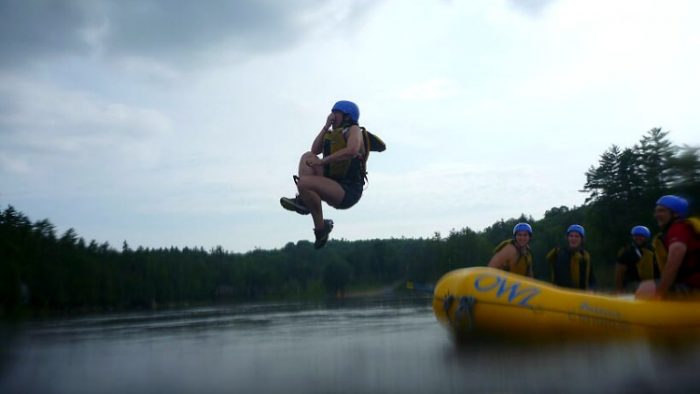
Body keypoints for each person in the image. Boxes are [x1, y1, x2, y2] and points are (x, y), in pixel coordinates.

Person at [280, 100, 367, 249]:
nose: (332, 116)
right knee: (307, 156)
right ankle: (305, 202)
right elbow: (315, 150)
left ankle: (320, 229)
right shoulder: (333, 133)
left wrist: (323, 162)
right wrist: (326, 126)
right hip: (333, 181)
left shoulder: (354, 130)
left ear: (346, 116)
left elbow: (352, 150)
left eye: (335, 113)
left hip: (348, 191)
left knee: (304, 183)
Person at [636, 195, 700, 299]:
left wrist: (659, 294)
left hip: (695, 286)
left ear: (675, 213)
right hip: (690, 283)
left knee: (646, 288)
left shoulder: (678, 229)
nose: (656, 215)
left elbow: (673, 264)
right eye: (656, 211)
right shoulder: (683, 228)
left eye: (661, 211)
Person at [546, 224, 596, 290]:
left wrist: (592, 289)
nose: (573, 239)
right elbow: (563, 279)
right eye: (571, 236)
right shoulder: (561, 254)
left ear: (582, 239)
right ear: (567, 238)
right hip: (563, 294)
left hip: (582, 294)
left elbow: (591, 278)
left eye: (577, 236)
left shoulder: (585, 256)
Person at [614, 225, 659, 292]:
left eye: (641, 236)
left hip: (651, 283)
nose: (638, 238)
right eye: (636, 236)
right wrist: (619, 289)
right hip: (632, 284)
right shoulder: (626, 251)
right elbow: (619, 272)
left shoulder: (653, 250)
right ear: (632, 237)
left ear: (646, 237)